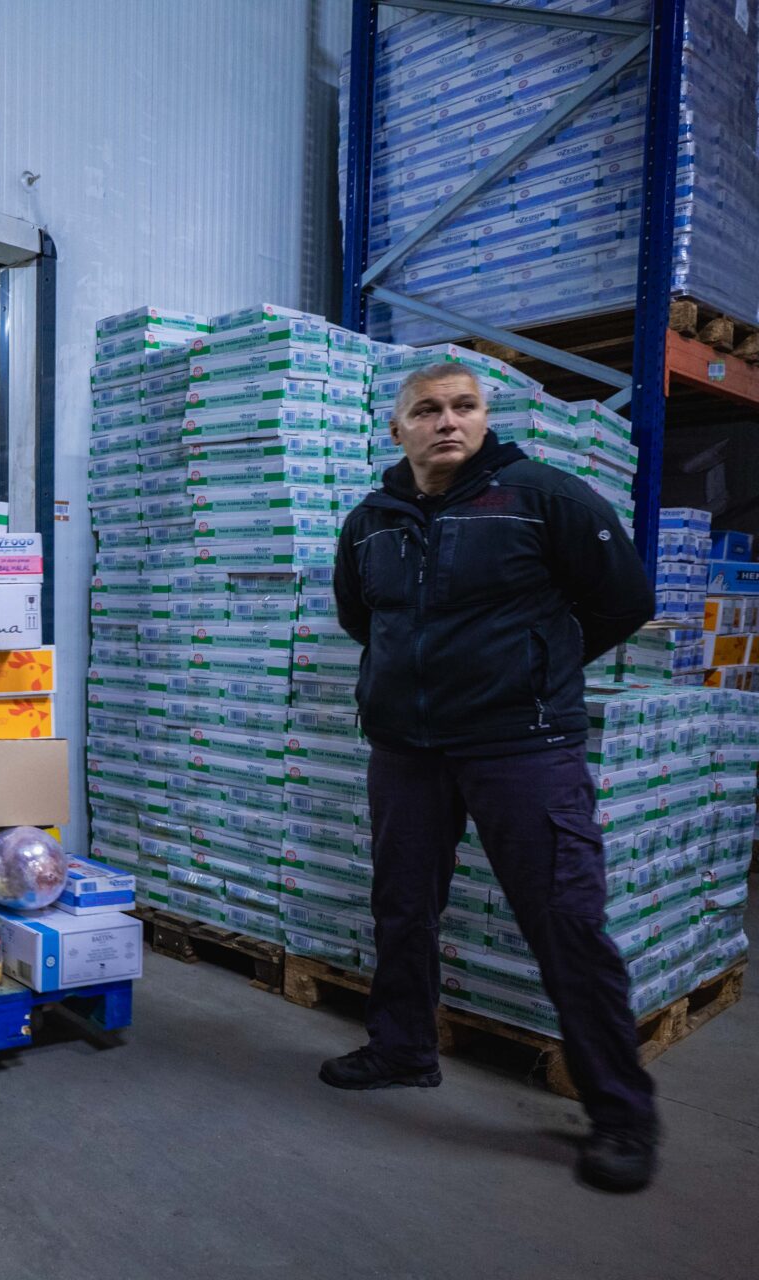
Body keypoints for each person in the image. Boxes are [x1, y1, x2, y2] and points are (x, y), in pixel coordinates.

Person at [328, 361, 659, 1192]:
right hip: (407, 749)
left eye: (464, 407)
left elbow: (624, 601)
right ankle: (403, 1049)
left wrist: (536, 670)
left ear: (484, 418)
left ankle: (621, 1113)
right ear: (396, 429)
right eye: (427, 410)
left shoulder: (544, 497)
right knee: (403, 905)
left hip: (523, 745)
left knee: (565, 920)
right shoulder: (370, 522)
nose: (448, 421)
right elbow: (359, 617)